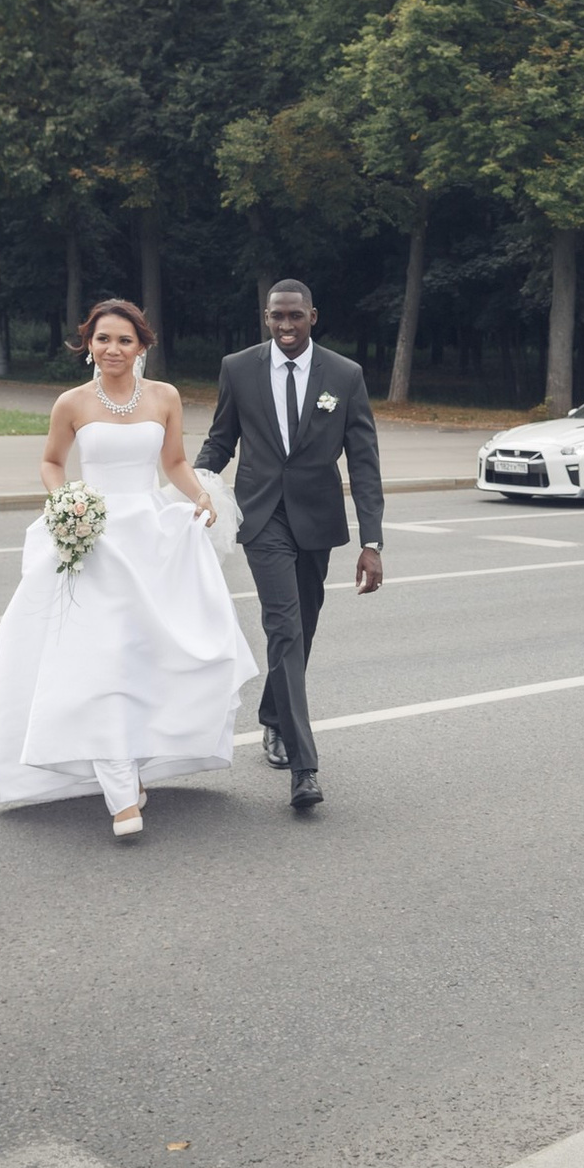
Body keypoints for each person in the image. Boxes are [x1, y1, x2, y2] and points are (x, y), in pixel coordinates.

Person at [0, 298, 259, 837]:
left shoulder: (165, 397)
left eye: (124, 340)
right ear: (88, 344)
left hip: (151, 538)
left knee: (148, 656)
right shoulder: (71, 403)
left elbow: (175, 462)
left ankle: (133, 767)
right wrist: (68, 504)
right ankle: (119, 792)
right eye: (102, 339)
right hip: (94, 541)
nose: (113, 349)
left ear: (142, 346)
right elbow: (50, 462)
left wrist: (200, 497)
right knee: (100, 660)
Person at [194, 279, 385, 810]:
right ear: (266, 316)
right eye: (276, 316)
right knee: (284, 627)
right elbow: (220, 439)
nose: (285, 326)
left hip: (317, 522)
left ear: (312, 316)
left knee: (304, 628)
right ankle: (305, 767)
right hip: (261, 519)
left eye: (295, 316)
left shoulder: (344, 376)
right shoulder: (239, 367)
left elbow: (364, 461)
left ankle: (274, 716)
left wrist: (372, 541)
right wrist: (191, 490)